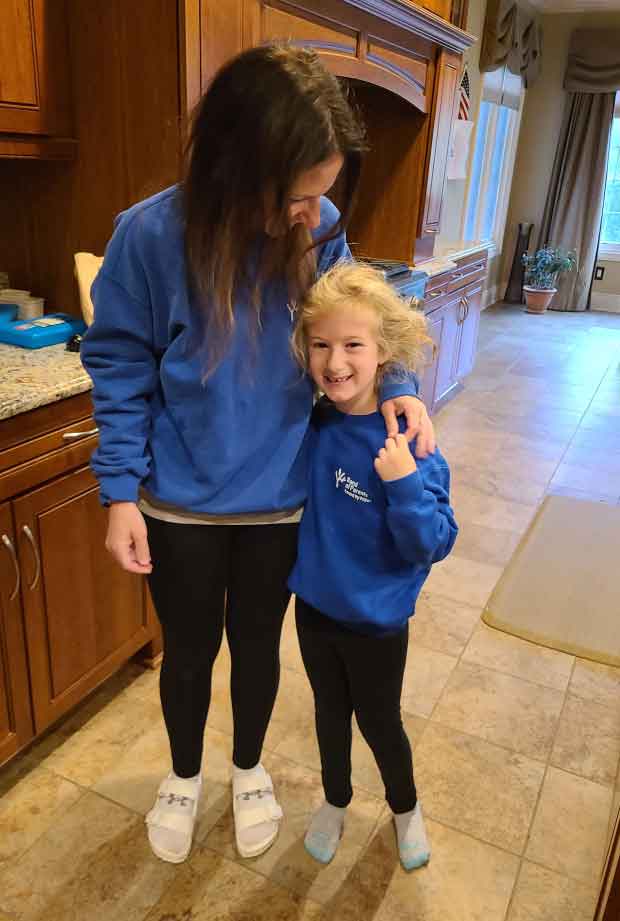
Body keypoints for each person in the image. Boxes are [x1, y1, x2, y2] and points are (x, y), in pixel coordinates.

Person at [81, 43, 436, 865]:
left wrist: (401, 381)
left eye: (324, 192)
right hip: (179, 504)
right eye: (300, 193)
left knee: (256, 645)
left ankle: (247, 769)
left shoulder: (321, 229)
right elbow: (120, 366)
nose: (316, 211)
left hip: (281, 497)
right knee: (189, 650)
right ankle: (181, 775)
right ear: (240, 169)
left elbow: (365, 314)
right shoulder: (147, 237)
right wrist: (120, 494)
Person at [288, 261, 458, 870]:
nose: (336, 362)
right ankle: (334, 802)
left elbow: (435, 542)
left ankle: (406, 809)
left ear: (384, 352)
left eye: (353, 345)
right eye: (322, 345)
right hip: (314, 610)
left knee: (380, 721)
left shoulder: (412, 440)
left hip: (379, 621)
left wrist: (406, 485)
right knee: (328, 715)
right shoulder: (313, 423)